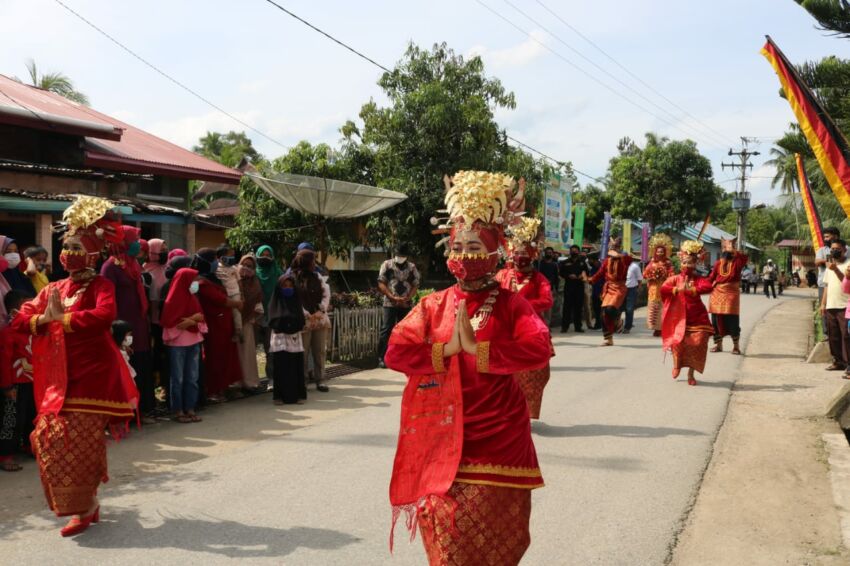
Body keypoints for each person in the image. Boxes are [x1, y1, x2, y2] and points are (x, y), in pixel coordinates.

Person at [385, 171, 549, 564]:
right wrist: (444, 351)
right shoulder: (433, 304)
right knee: (447, 539)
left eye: (475, 245)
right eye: (457, 245)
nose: (464, 254)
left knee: (498, 536)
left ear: (495, 251)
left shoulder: (510, 303)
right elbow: (396, 352)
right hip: (441, 436)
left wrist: (479, 350)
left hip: (499, 437)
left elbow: (538, 346)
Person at [11, 195, 137, 536]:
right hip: (56, 380)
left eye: (77, 246)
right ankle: (85, 503)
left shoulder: (102, 285)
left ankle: (84, 506)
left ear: (94, 253)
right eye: (66, 245)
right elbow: (20, 318)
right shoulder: (53, 286)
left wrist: (62, 319)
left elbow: (104, 316)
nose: (69, 253)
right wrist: (42, 319)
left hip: (91, 378)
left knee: (80, 442)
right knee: (47, 439)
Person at [496, 216, 554, 420]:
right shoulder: (502, 275)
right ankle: (504, 411)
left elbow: (547, 300)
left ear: (532, 255)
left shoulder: (539, 279)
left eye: (524, 253)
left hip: (531, 331)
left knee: (534, 373)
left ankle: (524, 411)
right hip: (504, 331)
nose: (520, 257)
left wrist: (523, 305)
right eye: (517, 253)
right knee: (503, 373)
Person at [101, 226, 153, 422]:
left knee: (141, 366)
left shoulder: (133, 264)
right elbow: (108, 299)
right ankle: (127, 415)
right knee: (126, 370)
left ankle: (144, 410)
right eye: (134, 240)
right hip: (123, 328)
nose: (137, 244)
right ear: (123, 242)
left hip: (139, 324)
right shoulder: (110, 267)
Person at [661, 240, 714, 386]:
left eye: (690, 263)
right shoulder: (675, 279)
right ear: (680, 263)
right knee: (678, 343)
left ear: (695, 263)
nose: (687, 266)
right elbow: (663, 289)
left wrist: (692, 290)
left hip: (697, 317)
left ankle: (691, 373)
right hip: (679, 318)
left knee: (699, 343)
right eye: (684, 263)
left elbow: (708, 286)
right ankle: (677, 365)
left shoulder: (698, 279)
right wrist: (676, 290)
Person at [194, 248, 243, 402]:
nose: (216, 262)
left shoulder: (214, 278)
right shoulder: (201, 281)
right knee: (215, 357)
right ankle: (214, 390)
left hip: (224, 323)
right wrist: (237, 304)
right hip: (213, 324)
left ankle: (226, 387)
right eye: (213, 258)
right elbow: (220, 300)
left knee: (227, 356)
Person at [160, 267, 206, 422]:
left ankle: (190, 408)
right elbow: (171, 322)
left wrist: (191, 320)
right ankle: (178, 411)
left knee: (192, 377)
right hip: (177, 344)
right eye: (193, 280)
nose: (196, 283)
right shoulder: (172, 300)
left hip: (193, 341)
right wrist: (191, 321)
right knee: (177, 378)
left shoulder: (193, 298)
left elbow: (200, 318)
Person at [0, 290, 35, 472]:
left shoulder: (32, 329)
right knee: (11, 419)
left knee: (31, 416)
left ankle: (29, 446)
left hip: (32, 381)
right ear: (15, 310)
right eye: (28, 305)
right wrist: (6, 386)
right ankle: (5, 455)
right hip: (15, 383)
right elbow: (5, 362)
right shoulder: (8, 333)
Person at [291, 249, 331, 392]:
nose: (315, 263)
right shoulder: (293, 278)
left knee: (320, 351)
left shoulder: (317, 276)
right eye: (312, 260)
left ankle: (320, 379)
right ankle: (303, 381)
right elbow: (294, 299)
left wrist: (321, 310)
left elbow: (326, 294)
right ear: (305, 262)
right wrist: (307, 314)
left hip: (320, 318)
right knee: (303, 352)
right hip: (304, 321)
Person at [377, 244, 421, 368]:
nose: (399, 257)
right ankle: (382, 357)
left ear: (406, 256)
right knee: (386, 330)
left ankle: (404, 357)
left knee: (405, 331)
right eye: (398, 255)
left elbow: (416, 284)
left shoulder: (412, 268)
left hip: (406, 303)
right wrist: (392, 296)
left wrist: (409, 297)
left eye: (402, 255)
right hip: (389, 303)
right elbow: (381, 283)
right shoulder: (387, 265)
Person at [268, 274, 307, 404]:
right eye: (285, 286)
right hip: (280, 338)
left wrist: (293, 324)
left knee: (296, 367)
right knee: (280, 367)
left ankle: (299, 395)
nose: (288, 288)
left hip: (295, 337)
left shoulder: (296, 302)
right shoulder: (275, 303)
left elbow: (301, 319)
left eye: (290, 286)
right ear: (279, 287)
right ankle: (278, 396)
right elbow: (273, 320)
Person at [589, 236, 633, 346]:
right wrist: (591, 280)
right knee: (603, 314)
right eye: (612, 247)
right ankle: (608, 338)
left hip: (619, 287)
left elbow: (629, 259)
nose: (613, 248)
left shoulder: (625, 259)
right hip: (608, 288)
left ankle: (618, 321)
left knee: (610, 309)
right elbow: (600, 273)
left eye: (616, 247)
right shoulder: (606, 261)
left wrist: (618, 253)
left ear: (619, 248)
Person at [708, 238, 748, 355]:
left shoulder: (737, 262)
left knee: (732, 320)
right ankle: (718, 345)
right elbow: (711, 278)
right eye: (725, 247)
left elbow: (744, 258)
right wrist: (698, 284)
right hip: (717, 293)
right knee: (716, 320)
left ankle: (736, 346)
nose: (727, 250)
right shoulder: (717, 263)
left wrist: (734, 250)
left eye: (730, 248)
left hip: (731, 293)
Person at [143, 238, 169, 413]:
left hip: (167, 321)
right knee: (154, 359)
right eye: (162, 249)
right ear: (152, 251)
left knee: (166, 359)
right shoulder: (145, 271)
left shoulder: (167, 269)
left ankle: (166, 393)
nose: (165, 252)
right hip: (152, 323)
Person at [255, 245, 283, 385]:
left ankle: (271, 378)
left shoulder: (278, 274)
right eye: (262, 254)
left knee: (270, 349)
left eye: (268, 255)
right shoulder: (252, 273)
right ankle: (252, 380)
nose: (265, 257)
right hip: (254, 317)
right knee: (249, 349)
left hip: (273, 316)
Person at [821, 239, 850, 372]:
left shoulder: (848, 264)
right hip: (831, 306)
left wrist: (836, 269)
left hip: (845, 306)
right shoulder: (829, 266)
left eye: (837, 248)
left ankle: (848, 363)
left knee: (846, 336)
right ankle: (838, 361)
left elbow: (846, 283)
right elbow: (827, 286)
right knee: (833, 335)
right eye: (832, 249)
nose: (834, 251)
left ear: (844, 249)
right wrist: (823, 304)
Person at [237, 255, 263, 392]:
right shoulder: (232, 279)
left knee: (247, 354)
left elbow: (258, 306)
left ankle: (250, 383)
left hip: (247, 322)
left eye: (250, 266)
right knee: (233, 354)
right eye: (244, 264)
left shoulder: (255, 283)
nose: (246, 268)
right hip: (232, 321)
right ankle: (235, 384)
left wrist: (251, 317)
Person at [643, 234, 675, 337]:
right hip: (653, 289)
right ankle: (655, 328)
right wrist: (651, 276)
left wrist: (666, 278)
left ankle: (662, 328)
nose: (660, 253)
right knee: (654, 308)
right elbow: (645, 273)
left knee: (663, 308)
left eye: (662, 251)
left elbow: (672, 275)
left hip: (664, 288)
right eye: (658, 251)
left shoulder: (668, 263)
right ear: (655, 251)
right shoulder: (651, 263)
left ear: (665, 252)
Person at [215, 244, 243, 345]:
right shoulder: (216, 268)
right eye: (229, 255)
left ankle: (238, 331)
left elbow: (239, 282)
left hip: (235, 292)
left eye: (233, 255)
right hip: (224, 295)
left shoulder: (234, 268)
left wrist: (241, 294)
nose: (232, 258)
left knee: (236, 312)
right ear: (221, 257)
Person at [559, 244, 588, 333]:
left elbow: (587, 272)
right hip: (569, 287)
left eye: (576, 250)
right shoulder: (564, 262)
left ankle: (578, 327)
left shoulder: (582, 262)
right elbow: (561, 273)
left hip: (579, 287)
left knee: (578, 308)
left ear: (578, 252)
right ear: (570, 252)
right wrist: (568, 276)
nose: (574, 252)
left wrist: (581, 275)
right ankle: (565, 327)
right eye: (572, 250)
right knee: (567, 308)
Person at [538, 246, 560, 325]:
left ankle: (547, 324)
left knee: (548, 308)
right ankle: (541, 324)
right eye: (547, 253)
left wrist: (556, 288)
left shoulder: (554, 265)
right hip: (540, 288)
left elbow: (556, 277)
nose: (549, 254)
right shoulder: (541, 264)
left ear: (552, 254)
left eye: (550, 253)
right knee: (540, 308)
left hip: (549, 289)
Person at [623, 258, 644, 334]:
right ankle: (617, 325)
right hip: (620, 289)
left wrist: (639, 289)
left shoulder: (634, 266)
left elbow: (639, 279)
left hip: (631, 289)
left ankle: (627, 327)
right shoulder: (620, 265)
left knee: (629, 309)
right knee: (617, 308)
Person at [587, 253, 603, 330]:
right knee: (596, 309)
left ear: (594, 260)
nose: (589, 261)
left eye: (590, 260)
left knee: (603, 310)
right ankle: (598, 324)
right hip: (595, 292)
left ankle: (605, 325)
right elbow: (592, 280)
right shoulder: (593, 269)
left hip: (602, 292)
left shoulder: (603, 267)